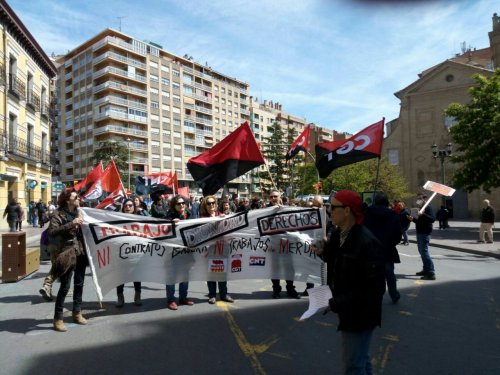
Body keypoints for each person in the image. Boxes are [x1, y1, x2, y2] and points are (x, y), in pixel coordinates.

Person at [314, 190, 386, 375]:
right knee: (361, 360)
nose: (329, 211)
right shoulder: (340, 234)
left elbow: (371, 289)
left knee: (353, 366)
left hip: (361, 315)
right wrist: (324, 251)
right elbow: (337, 261)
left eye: (332, 207)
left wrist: (335, 303)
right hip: (348, 310)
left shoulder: (367, 242)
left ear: (347, 211)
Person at [48, 189, 88, 332]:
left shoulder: (81, 211)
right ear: (67, 200)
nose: (78, 199)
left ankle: (77, 312)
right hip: (66, 253)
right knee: (65, 286)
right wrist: (72, 224)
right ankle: (58, 318)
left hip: (80, 251)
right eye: (75, 197)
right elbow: (51, 232)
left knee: (80, 283)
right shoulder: (58, 214)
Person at [363, 192, 402, 303]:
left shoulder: (368, 213)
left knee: (371, 274)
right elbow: (398, 234)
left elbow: (363, 229)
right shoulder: (393, 214)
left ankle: (373, 295)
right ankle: (394, 294)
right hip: (387, 248)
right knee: (389, 274)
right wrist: (391, 243)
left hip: (371, 248)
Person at [201, 195, 234, 304]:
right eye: (208, 203)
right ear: (205, 206)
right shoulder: (202, 218)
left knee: (222, 272)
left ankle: (224, 294)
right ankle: (212, 295)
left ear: (216, 204)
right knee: (211, 273)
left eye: (213, 203)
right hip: (210, 250)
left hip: (222, 248)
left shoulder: (222, 215)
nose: (211, 205)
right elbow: (200, 235)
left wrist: (226, 220)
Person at [268, 190, 300, 299]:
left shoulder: (287, 210)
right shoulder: (266, 211)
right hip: (273, 244)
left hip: (287, 243)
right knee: (275, 268)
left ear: (280, 197)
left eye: (275, 196)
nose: (273, 198)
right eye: (271, 196)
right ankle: (276, 290)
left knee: (289, 267)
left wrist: (315, 210)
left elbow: (296, 221)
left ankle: (290, 289)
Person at [165, 195, 194, 310]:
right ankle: (171, 299)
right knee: (171, 276)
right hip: (173, 253)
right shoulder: (169, 217)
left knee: (185, 276)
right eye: (179, 204)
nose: (182, 205)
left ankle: (183, 297)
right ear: (173, 206)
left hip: (186, 252)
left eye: (183, 203)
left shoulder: (190, 216)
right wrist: (171, 224)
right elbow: (163, 231)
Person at [115, 198, 143, 307]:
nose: (128, 207)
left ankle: (137, 296)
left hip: (136, 251)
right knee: (121, 276)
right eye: (126, 205)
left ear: (134, 207)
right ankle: (120, 297)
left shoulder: (139, 218)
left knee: (136, 275)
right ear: (123, 207)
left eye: (130, 205)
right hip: (121, 251)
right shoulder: (117, 219)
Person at [408, 194, 436, 280]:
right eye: (418, 198)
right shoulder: (420, 207)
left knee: (424, 251)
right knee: (421, 252)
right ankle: (425, 269)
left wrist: (423, 214)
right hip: (419, 231)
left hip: (425, 232)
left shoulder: (428, 207)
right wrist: (412, 219)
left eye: (420, 198)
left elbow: (432, 219)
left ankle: (431, 272)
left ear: (425, 198)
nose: (418, 200)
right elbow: (418, 221)